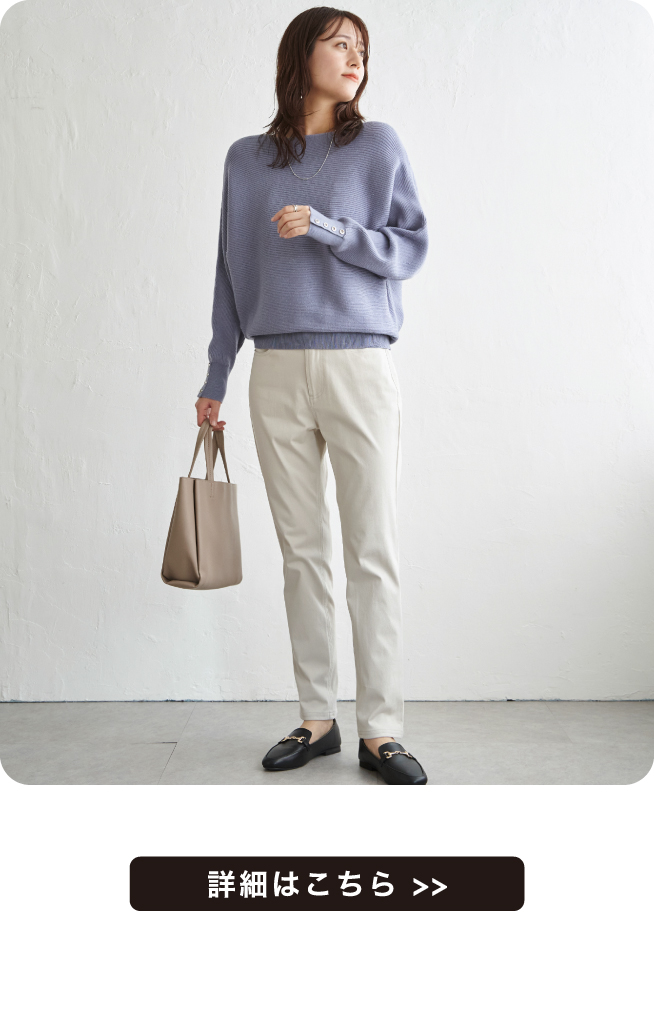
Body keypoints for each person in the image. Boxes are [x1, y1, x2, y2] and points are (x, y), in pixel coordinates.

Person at [195, 7, 429, 785]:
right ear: (301, 55)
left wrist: (331, 230)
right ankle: (317, 718)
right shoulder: (246, 160)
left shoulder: (378, 146)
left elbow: (410, 249)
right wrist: (215, 375)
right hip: (275, 369)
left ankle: (381, 729)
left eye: (362, 47)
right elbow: (229, 271)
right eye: (339, 43)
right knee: (301, 556)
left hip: (360, 363)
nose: (355, 57)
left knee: (372, 553)